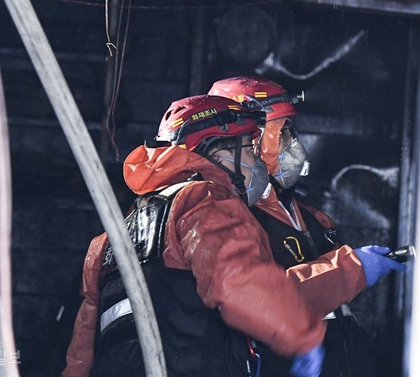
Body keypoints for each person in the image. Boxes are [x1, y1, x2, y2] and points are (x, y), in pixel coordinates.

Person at [62, 95, 333, 377]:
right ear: (218, 152)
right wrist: (303, 336)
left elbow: (82, 344)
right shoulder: (203, 199)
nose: (258, 162)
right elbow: (237, 282)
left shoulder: (112, 234)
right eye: (249, 150)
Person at [209, 76, 407, 376]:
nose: (294, 144)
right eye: (284, 132)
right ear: (251, 137)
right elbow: (268, 298)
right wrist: (352, 269)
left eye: (293, 131)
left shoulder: (312, 219)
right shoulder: (231, 223)